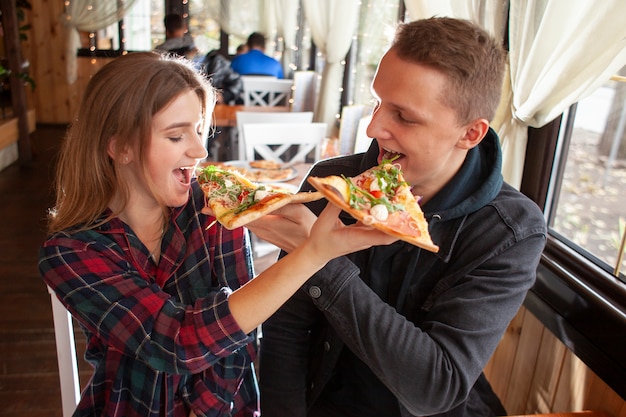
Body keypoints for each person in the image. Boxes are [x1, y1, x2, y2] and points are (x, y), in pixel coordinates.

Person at [38, 51, 396, 417]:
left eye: (198, 130)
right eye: (176, 136)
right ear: (120, 146)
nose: (200, 150)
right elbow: (176, 341)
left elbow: (240, 335)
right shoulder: (70, 251)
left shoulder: (213, 205)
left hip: (226, 404)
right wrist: (312, 254)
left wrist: (205, 410)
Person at [249, 17, 548, 417]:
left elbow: (436, 388)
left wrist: (320, 258)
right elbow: (286, 330)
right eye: (377, 102)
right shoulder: (332, 180)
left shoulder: (510, 231)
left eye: (404, 117)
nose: (374, 128)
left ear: (471, 134)